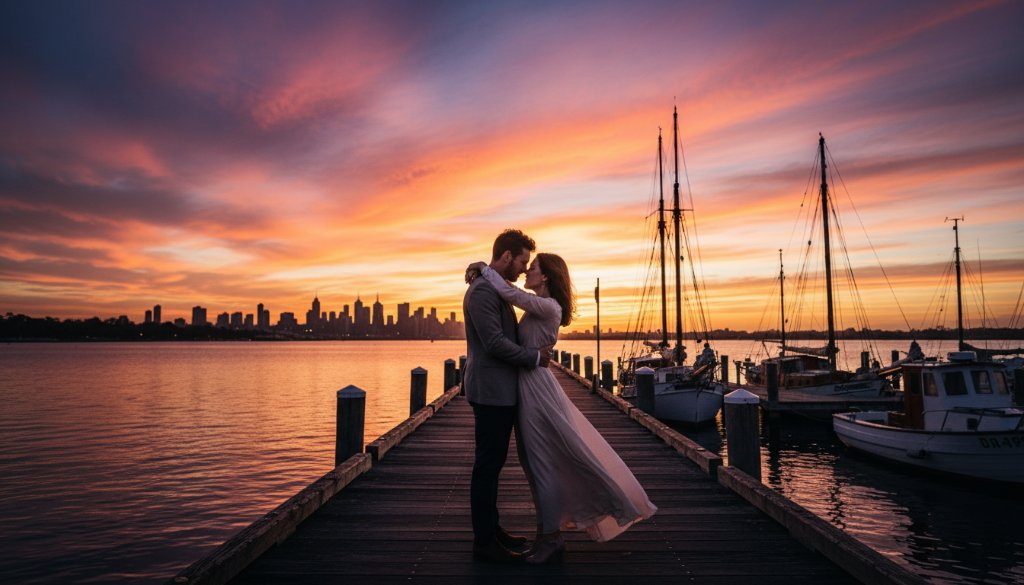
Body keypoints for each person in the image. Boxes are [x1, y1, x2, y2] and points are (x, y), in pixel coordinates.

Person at [466, 253, 657, 564]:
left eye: (534, 266)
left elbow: (510, 294)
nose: (527, 270)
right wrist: (483, 270)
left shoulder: (548, 305)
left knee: (541, 464)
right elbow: (512, 297)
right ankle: (546, 535)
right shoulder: (538, 302)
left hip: (535, 390)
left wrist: (483, 268)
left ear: (547, 276)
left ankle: (551, 539)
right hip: (527, 388)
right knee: (535, 464)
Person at [462, 229, 551, 562]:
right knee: (487, 465)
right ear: (506, 256)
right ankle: (484, 543)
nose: (523, 269)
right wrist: (535, 358)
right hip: (490, 392)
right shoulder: (484, 292)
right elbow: (495, 344)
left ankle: (491, 530)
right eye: (521, 261)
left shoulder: (495, 287)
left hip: (500, 392)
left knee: (493, 464)